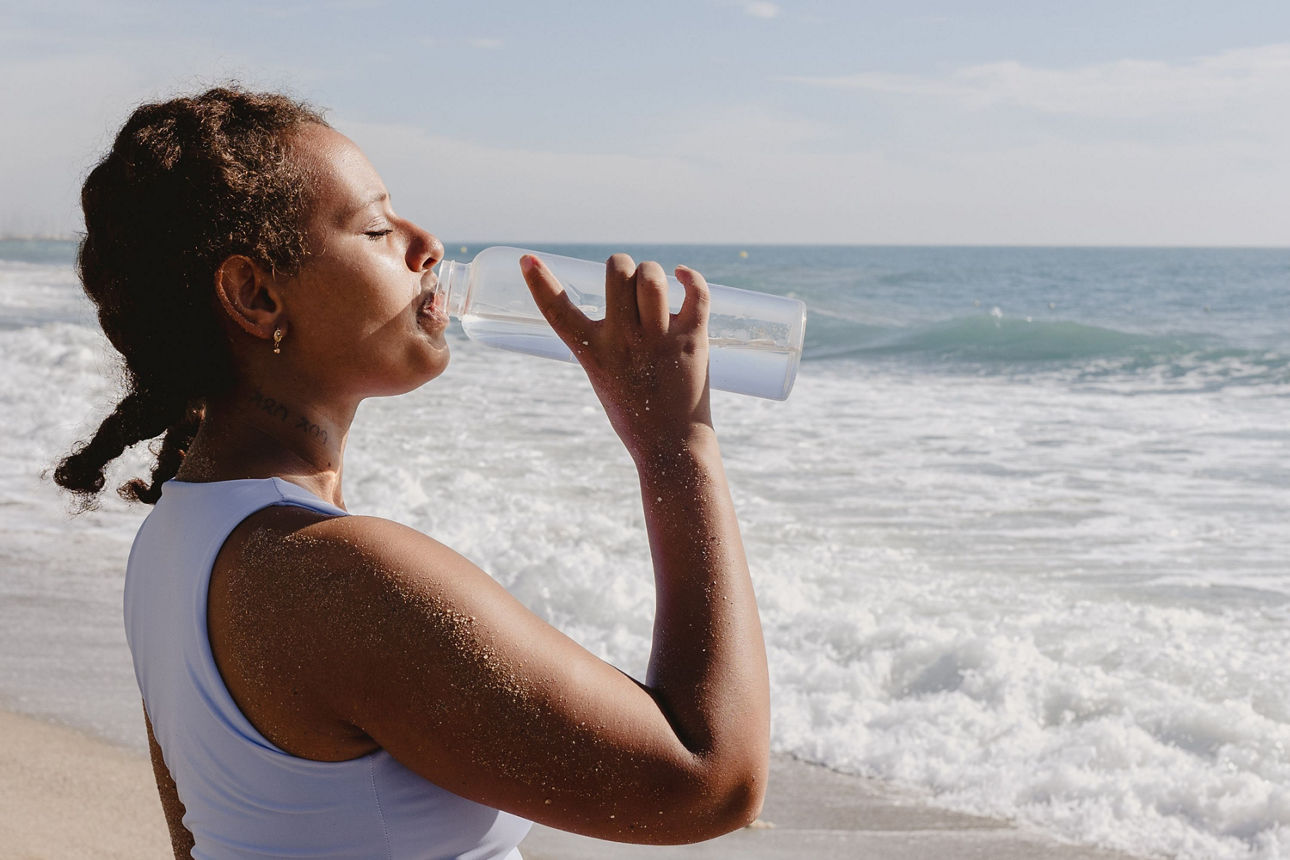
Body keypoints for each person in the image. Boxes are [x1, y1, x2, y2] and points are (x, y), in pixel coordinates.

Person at [53, 86, 770, 858]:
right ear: (255, 295)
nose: (426, 244)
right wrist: (675, 445)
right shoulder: (333, 576)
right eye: (376, 228)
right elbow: (711, 782)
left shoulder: (173, 543)